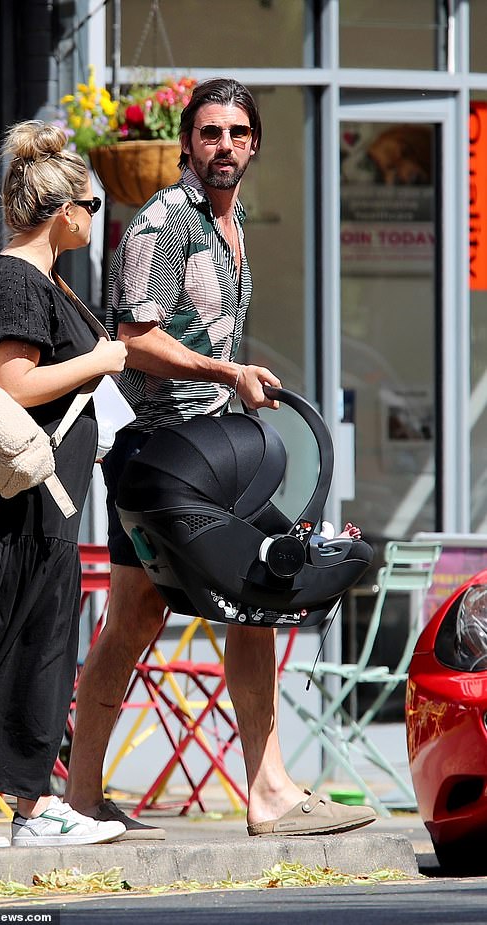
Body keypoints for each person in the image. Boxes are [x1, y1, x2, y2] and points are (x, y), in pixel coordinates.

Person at [65, 78, 377, 839]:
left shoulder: (231, 229)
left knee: (147, 614)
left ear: (255, 143)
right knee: (258, 584)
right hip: (166, 454)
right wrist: (227, 375)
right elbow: (134, 338)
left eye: (238, 132)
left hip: (201, 456)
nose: (225, 146)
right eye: (210, 133)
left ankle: (80, 798)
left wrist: (229, 383)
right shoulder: (164, 225)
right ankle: (264, 793)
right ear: (185, 143)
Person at [0, 120, 128, 848]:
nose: (95, 218)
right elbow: (16, 383)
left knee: (32, 647)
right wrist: (101, 359)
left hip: (39, 506)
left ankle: (26, 802)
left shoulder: (36, 276)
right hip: (17, 510)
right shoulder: (19, 278)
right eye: (94, 204)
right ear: (64, 211)